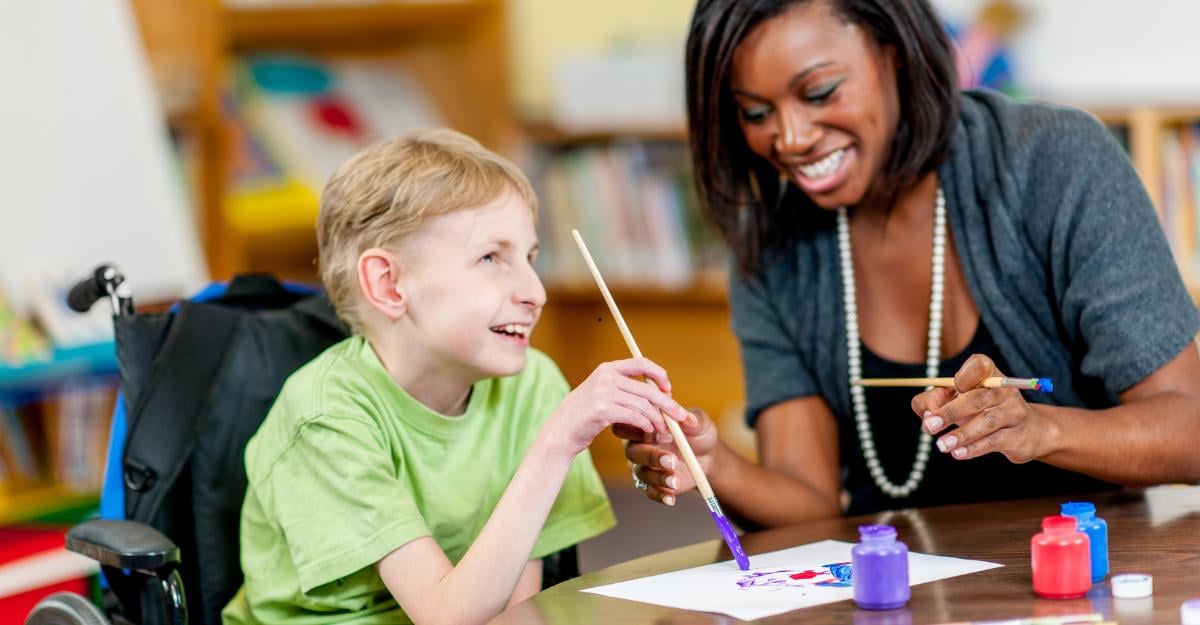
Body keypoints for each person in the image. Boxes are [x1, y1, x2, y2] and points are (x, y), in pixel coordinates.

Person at [620, 0, 1200, 523]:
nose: (790, 138)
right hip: (893, 595)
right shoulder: (773, 242)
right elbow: (808, 499)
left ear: (893, 53)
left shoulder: (1054, 162)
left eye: (819, 92)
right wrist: (711, 461)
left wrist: (1040, 427)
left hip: (1082, 582)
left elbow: (1189, 429)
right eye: (754, 113)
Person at [222, 129, 693, 625]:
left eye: (530, 258)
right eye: (491, 257)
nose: (536, 292)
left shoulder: (531, 385)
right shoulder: (324, 416)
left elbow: (513, 610)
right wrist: (558, 441)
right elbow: (448, 618)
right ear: (389, 284)